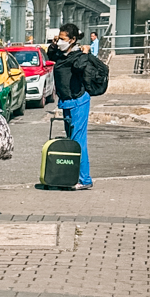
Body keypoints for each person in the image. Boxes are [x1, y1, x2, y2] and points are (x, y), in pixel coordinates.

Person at [47, 22, 92, 190]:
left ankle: (84, 179)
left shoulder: (78, 54)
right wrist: (53, 43)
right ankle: (72, 176)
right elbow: (50, 55)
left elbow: (80, 66)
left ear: (73, 40)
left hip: (79, 101)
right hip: (66, 101)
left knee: (78, 141)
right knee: (71, 140)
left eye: (63, 38)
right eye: (59, 38)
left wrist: (86, 53)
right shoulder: (60, 54)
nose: (60, 41)